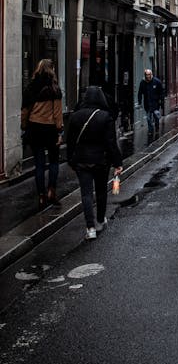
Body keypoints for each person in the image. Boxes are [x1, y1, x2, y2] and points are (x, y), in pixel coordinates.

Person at [66, 86, 123, 240]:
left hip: (82, 161)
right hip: (101, 160)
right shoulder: (105, 116)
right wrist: (117, 162)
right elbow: (111, 143)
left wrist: (70, 160)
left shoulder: (75, 116)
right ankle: (100, 219)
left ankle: (90, 227)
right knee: (101, 191)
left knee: (86, 193)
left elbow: (70, 142)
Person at [21, 59, 64, 210]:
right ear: (52, 70)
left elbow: (25, 111)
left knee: (39, 164)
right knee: (53, 162)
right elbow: (58, 114)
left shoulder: (31, 87)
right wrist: (60, 131)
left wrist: (24, 126)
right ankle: (51, 191)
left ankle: (41, 196)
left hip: (34, 129)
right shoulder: (54, 88)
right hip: (50, 129)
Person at [137, 69, 164, 136]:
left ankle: (157, 129)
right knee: (148, 118)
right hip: (147, 104)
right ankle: (150, 130)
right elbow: (140, 93)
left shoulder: (157, 82)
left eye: (149, 74)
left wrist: (161, 102)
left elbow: (161, 92)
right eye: (146, 75)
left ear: (151, 74)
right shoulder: (142, 83)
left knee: (156, 117)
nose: (148, 76)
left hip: (155, 104)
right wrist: (139, 101)